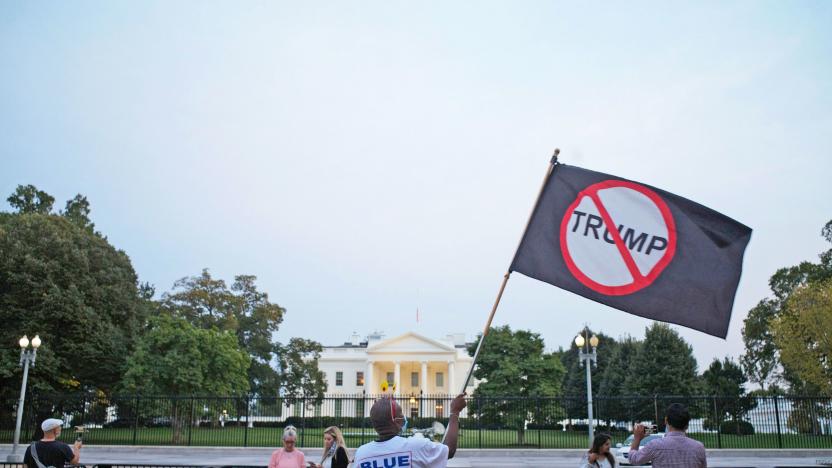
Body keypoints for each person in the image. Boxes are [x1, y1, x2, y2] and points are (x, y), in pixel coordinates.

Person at [353, 393, 467, 468]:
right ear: (396, 421)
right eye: (401, 414)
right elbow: (449, 450)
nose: (404, 417)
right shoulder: (416, 446)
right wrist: (455, 412)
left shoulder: (362, 454)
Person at [627, 403, 706, 467]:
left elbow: (634, 459)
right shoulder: (699, 447)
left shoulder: (654, 445)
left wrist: (637, 439)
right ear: (687, 425)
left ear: (666, 420)